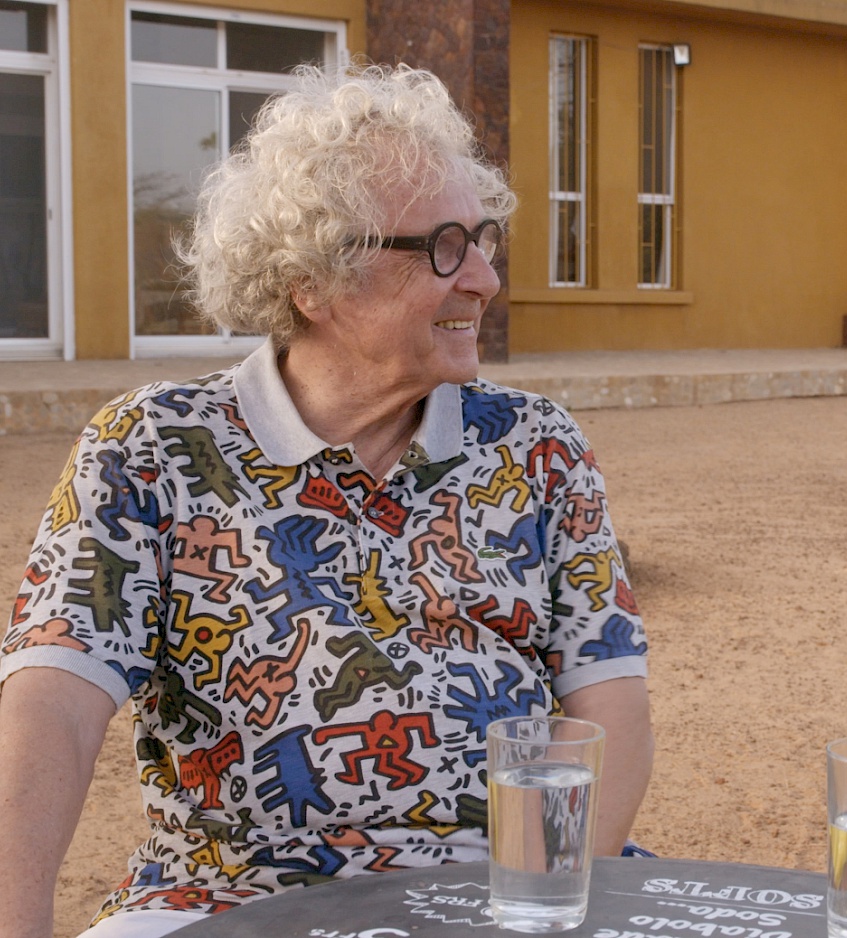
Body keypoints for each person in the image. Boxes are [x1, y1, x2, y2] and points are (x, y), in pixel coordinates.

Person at [0, 65, 652, 938]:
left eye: (486, 239)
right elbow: (52, 708)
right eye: (444, 247)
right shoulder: (152, 447)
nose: (486, 280)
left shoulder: (535, 444)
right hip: (233, 896)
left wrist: (551, 907)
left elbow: (611, 705)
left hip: (509, 888)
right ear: (315, 279)